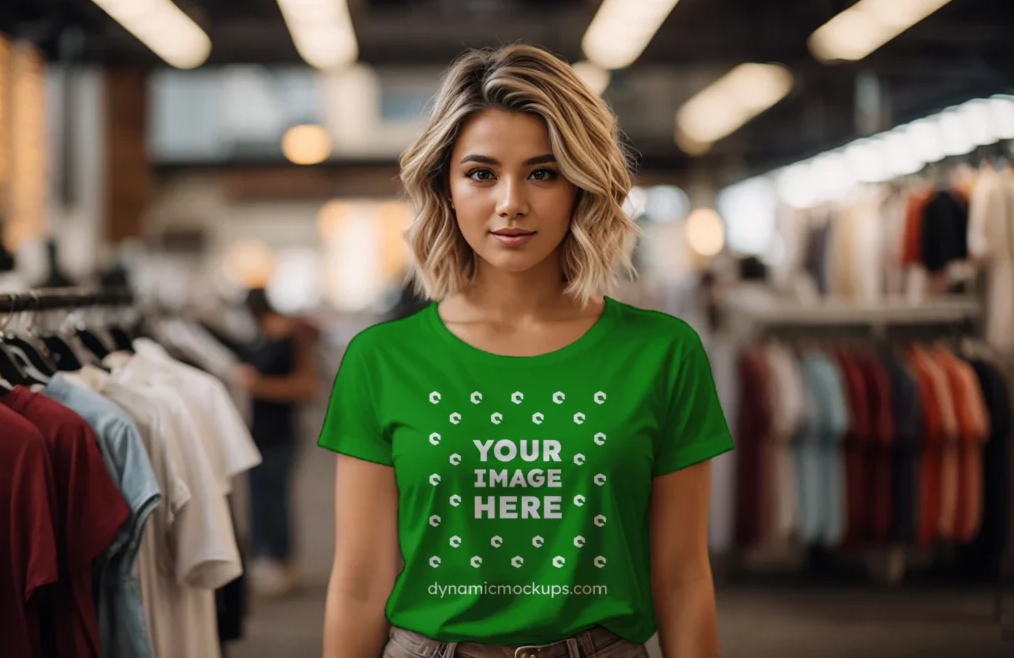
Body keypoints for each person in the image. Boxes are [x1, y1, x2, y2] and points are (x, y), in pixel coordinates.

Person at [318, 45, 734, 658]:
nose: (511, 201)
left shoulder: (663, 354)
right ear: (447, 187)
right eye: (481, 173)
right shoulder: (381, 359)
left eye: (543, 172)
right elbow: (358, 585)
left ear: (580, 186)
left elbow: (683, 578)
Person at [234, 287, 318, 598]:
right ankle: (266, 559)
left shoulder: (291, 338)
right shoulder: (258, 339)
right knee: (259, 497)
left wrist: (259, 386)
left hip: (282, 432)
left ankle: (282, 563)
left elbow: (306, 387)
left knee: (275, 498)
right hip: (256, 432)